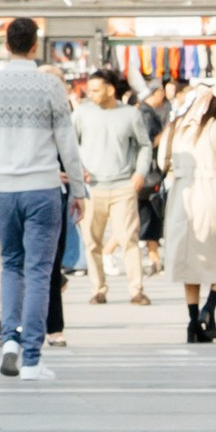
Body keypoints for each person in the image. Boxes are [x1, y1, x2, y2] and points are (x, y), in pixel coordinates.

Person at [0, 17, 86, 382]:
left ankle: (9, 339)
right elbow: (68, 143)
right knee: (39, 271)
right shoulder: (50, 86)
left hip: (2, 188)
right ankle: (32, 357)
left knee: (11, 264)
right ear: (35, 45)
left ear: (5, 45)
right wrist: (78, 190)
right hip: (43, 186)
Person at [162, 88, 216, 342]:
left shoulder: (177, 126)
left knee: (190, 262)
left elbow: (161, 161)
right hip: (213, 194)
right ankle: (209, 308)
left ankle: (193, 321)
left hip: (182, 197)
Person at [72, 71, 153, 308]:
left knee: (129, 239)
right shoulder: (82, 113)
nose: (90, 94)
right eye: (90, 89)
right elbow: (68, 144)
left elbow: (144, 145)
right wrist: (77, 170)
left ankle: (136, 290)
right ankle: (98, 290)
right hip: (91, 188)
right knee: (92, 242)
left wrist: (140, 173)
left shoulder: (130, 114)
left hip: (122, 186)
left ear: (110, 89)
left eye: (96, 89)